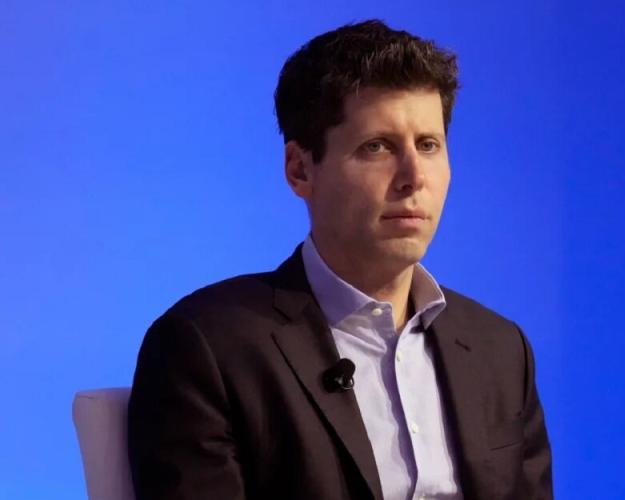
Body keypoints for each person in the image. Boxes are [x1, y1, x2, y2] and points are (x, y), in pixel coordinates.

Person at [127, 19, 553, 500]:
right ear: (300, 170)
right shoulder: (207, 347)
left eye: (428, 145)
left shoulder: (501, 350)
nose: (414, 177)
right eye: (377, 147)